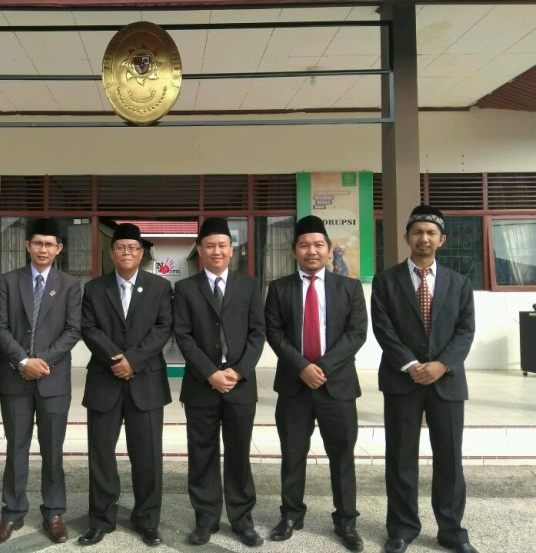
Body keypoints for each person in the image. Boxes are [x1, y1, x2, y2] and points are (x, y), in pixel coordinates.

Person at [371, 205, 478, 553]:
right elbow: (383, 328)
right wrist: (411, 364)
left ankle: (451, 530)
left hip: (447, 382)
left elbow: (465, 330)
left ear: (442, 239)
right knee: (401, 458)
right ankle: (402, 528)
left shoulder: (459, 282)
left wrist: (442, 364)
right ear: (407, 237)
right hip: (402, 381)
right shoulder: (386, 281)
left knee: (450, 460)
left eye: (431, 233)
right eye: (417, 232)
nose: (424, 238)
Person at [264, 215, 368, 552]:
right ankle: (291, 515)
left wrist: (320, 367)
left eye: (318, 244)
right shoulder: (279, 288)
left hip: (337, 387)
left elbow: (357, 334)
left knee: (342, 457)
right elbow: (274, 333)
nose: (312, 251)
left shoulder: (349, 287)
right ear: (295, 250)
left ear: (329, 249)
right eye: (304, 245)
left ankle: (346, 521)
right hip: (294, 387)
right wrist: (301, 368)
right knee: (293, 454)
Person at [0, 218, 82, 546]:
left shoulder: (69, 285)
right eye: (37, 243)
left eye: (49, 244)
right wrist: (23, 361)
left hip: (53, 382)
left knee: (52, 450)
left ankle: (54, 512)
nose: (43, 249)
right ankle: (12, 512)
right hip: (15, 380)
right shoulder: (8, 282)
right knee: (16, 448)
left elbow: (73, 330)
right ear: (28, 246)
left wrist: (42, 363)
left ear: (59, 248)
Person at [78, 222, 173, 547]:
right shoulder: (94, 288)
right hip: (104, 381)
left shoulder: (160, 287)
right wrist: (116, 360)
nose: (127, 252)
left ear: (141, 253)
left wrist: (134, 360)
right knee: (101, 455)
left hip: (146, 382)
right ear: (111, 253)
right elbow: (89, 328)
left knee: (148, 456)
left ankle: (147, 520)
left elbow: (163, 327)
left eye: (133, 248)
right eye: (121, 247)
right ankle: (101, 519)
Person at [173, 217, 265, 548]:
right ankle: (206, 517)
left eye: (222, 245)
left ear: (232, 249)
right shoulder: (185, 289)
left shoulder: (250, 286)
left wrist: (238, 371)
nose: (216, 251)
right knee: (202, 454)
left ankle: (242, 518)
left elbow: (258, 334)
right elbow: (183, 336)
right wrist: (210, 373)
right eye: (210, 245)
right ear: (199, 250)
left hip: (240, 385)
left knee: (239, 453)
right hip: (201, 385)